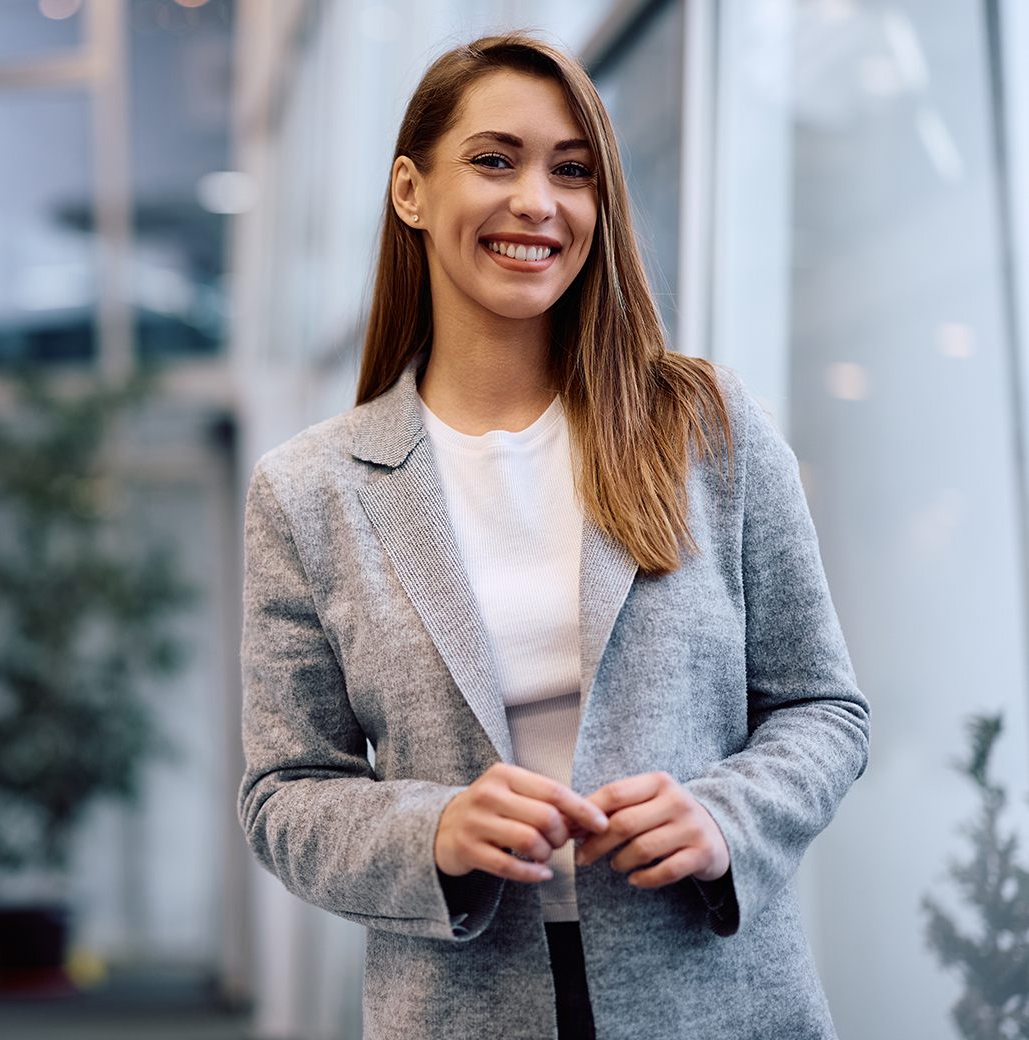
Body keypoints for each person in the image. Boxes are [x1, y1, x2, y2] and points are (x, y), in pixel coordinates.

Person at [238, 32, 868, 1040]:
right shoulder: (308, 489)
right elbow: (284, 794)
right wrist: (433, 826)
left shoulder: (705, 426)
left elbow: (821, 705)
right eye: (495, 159)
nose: (537, 200)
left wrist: (723, 814)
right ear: (411, 190)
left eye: (571, 171)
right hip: (459, 1005)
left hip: (714, 998)